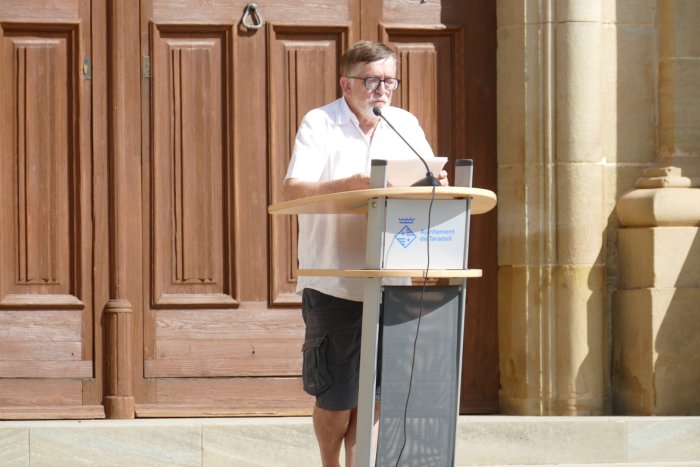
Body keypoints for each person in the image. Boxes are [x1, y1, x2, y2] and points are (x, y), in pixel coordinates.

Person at [283, 40, 448, 467]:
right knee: (337, 401)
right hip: (336, 280)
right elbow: (292, 191)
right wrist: (353, 183)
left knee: (375, 399)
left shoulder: (405, 125)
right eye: (372, 80)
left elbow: (424, 177)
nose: (382, 90)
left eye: (389, 81)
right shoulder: (319, 123)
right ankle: (329, 462)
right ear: (347, 83)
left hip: (392, 279)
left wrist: (436, 184)